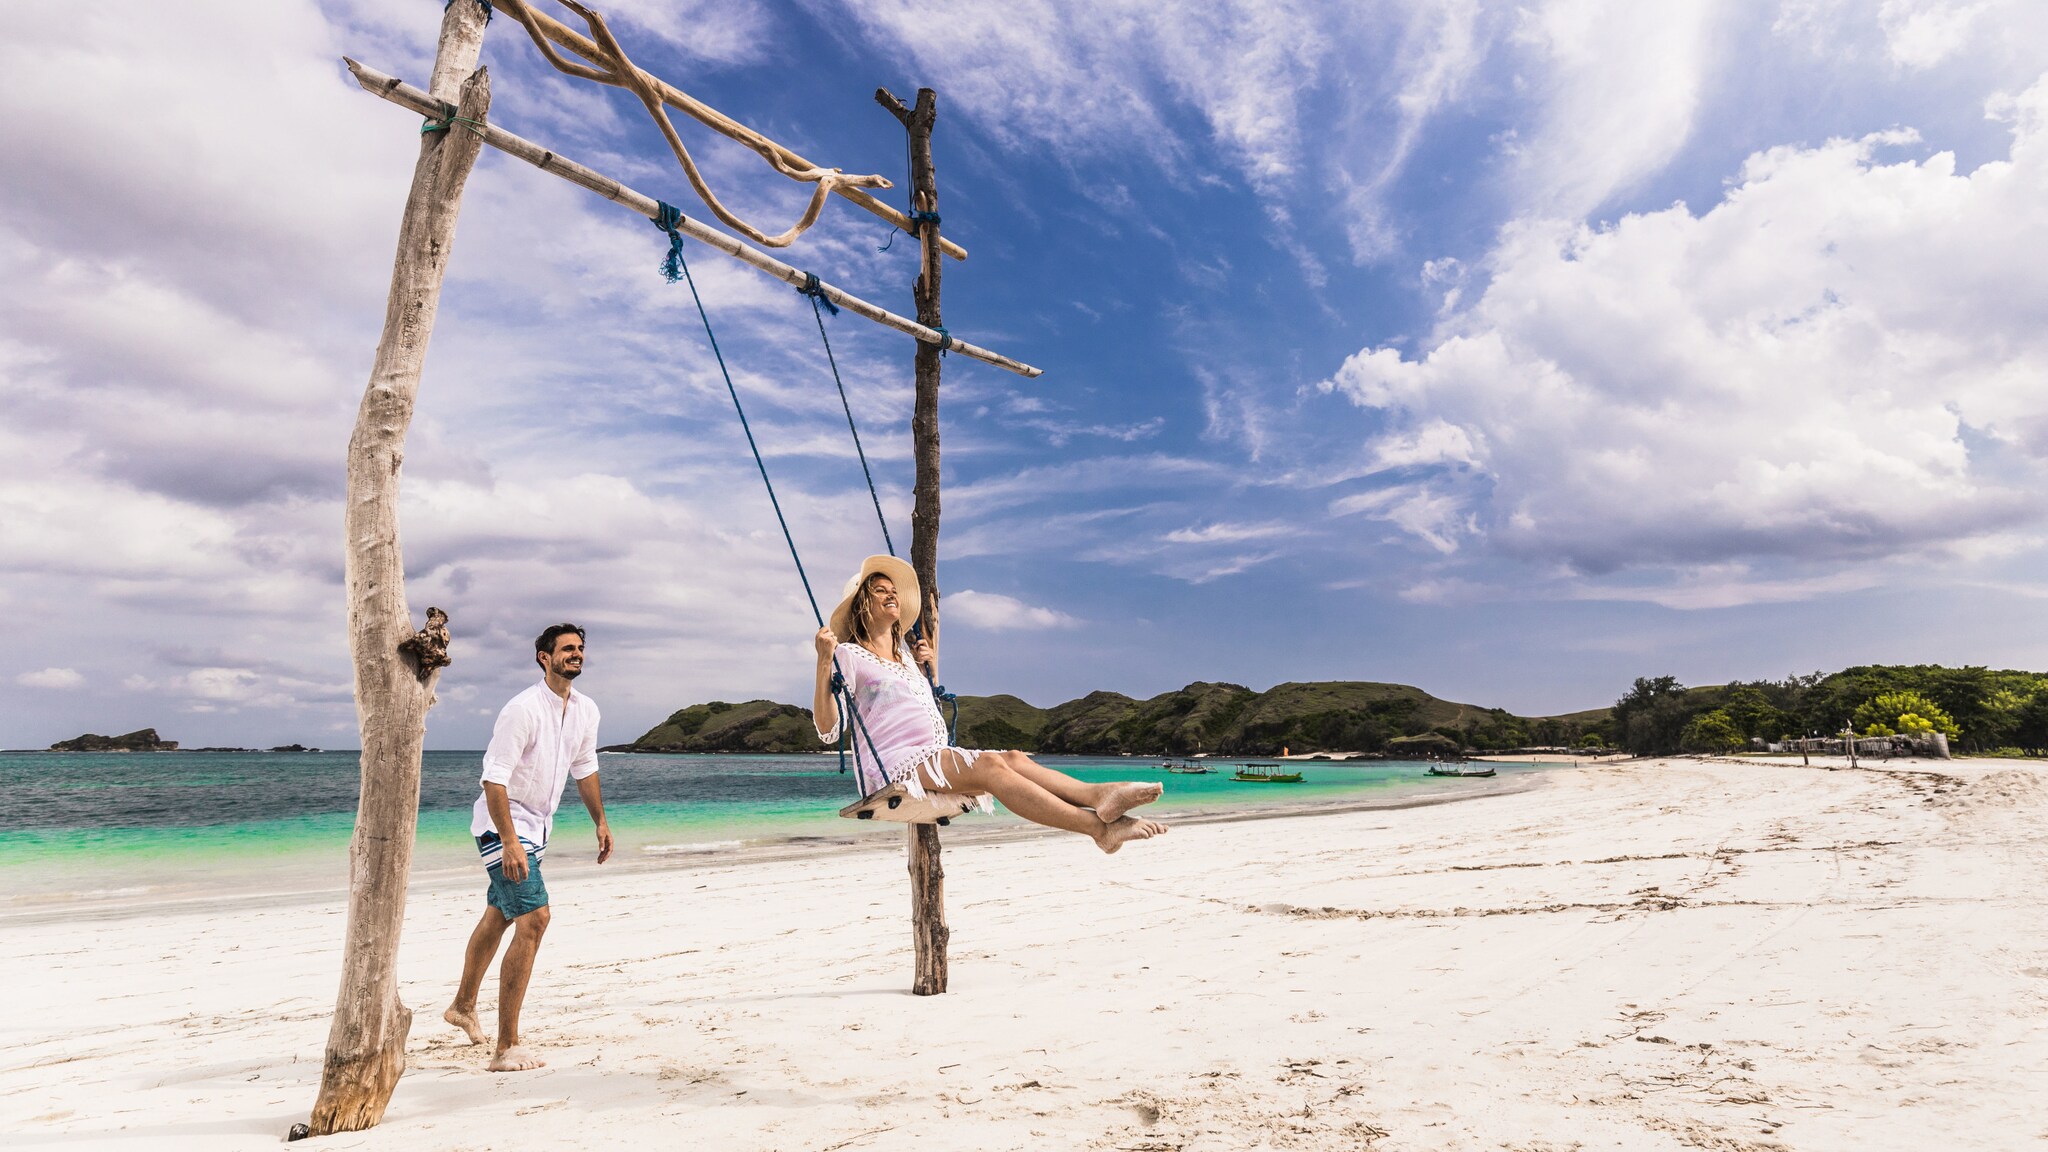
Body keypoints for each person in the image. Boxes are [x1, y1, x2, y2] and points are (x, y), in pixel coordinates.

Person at [812, 556, 1167, 853]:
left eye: (894, 591)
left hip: (930, 755)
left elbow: (912, 710)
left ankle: (1099, 794)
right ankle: (1097, 828)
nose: (892, 596)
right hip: (894, 766)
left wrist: (926, 670)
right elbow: (828, 731)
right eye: (880, 591)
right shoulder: (849, 655)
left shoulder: (906, 660)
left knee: (1012, 757)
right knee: (991, 767)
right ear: (862, 605)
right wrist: (824, 662)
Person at [443, 622, 613, 1072]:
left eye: (580, 649)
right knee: (535, 918)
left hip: (537, 828)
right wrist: (510, 841)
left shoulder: (585, 710)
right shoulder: (522, 709)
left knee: (499, 916)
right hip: (503, 825)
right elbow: (493, 778)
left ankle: (462, 1005)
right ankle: (506, 1046)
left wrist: (600, 820)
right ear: (544, 657)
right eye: (566, 649)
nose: (576, 655)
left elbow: (585, 768)